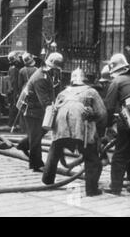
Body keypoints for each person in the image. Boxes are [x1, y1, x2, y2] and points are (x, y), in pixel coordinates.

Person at [42, 68, 107, 196]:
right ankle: (92, 190)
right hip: (81, 128)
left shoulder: (63, 92)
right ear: (85, 80)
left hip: (60, 127)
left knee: (55, 150)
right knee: (92, 158)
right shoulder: (91, 92)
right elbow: (102, 113)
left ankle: (47, 180)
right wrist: (96, 123)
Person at [16, 52, 64, 171]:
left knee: (40, 132)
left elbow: (54, 91)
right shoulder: (40, 78)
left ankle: (23, 144)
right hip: (30, 109)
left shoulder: (48, 74)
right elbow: (45, 102)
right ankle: (36, 164)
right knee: (36, 136)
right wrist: (57, 110)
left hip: (37, 107)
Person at [104, 54, 130, 195]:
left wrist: (107, 125)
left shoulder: (116, 82)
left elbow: (109, 107)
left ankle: (115, 187)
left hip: (127, 120)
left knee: (120, 154)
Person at [17, 52, 38, 134]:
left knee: (22, 108)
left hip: (24, 90)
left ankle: (23, 128)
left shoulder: (22, 70)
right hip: (33, 90)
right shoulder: (36, 70)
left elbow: (19, 84)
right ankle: (32, 128)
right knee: (32, 109)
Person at [7, 51, 23, 128]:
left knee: (14, 106)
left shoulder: (12, 68)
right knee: (14, 106)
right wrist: (16, 93)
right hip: (14, 91)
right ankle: (12, 123)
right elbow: (14, 82)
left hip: (13, 90)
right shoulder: (14, 69)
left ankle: (13, 123)